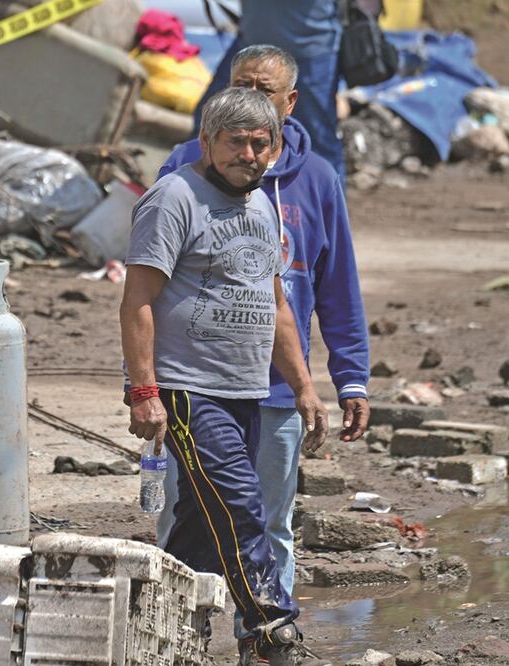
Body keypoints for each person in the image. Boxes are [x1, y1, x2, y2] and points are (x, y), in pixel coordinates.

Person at [154, 44, 370, 661]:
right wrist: (142, 385)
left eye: (265, 91)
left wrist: (343, 380)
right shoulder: (182, 171)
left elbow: (332, 290)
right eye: (240, 86)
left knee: (266, 522)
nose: (251, 100)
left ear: (290, 103)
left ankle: (260, 643)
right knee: (189, 514)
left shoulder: (315, 181)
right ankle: (182, 637)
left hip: (271, 388)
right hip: (193, 380)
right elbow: (147, 285)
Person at [120, 86, 328, 665]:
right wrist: (143, 392)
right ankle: (272, 635)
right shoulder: (174, 198)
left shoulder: (263, 205)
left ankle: (153, 633)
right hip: (187, 388)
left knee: (202, 527)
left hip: (246, 389)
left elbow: (278, 305)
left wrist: (306, 387)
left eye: (261, 143)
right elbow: (137, 298)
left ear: (276, 146)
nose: (249, 154)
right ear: (208, 143)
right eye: (235, 142)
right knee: (240, 506)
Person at [194, 0, 346, 181]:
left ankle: (329, 204)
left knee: (319, 141)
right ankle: (192, 196)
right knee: (207, 119)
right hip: (251, 46)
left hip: (309, 54)